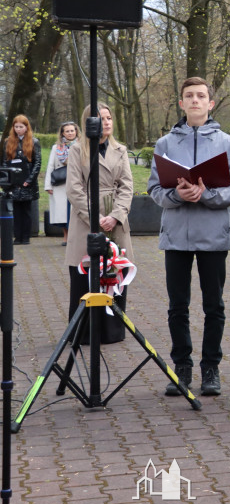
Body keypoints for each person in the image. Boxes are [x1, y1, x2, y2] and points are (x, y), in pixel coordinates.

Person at [147, 77, 230, 397]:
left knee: (213, 306)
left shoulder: (227, 143)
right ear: (181, 103)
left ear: (211, 103)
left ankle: (211, 368)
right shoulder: (164, 144)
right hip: (175, 236)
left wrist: (206, 195)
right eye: (189, 96)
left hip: (213, 236)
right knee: (178, 306)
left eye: (201, 96)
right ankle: (182, 367)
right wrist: (178, 195)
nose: (195, 100)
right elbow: (154, 189)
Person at [65, 104, 133, 344]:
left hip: (115, 219)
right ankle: (83, 332)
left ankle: (112, 331)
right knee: (84, 275)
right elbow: (73, 189)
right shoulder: (77, 150)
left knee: (114, 272)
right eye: (101, 119)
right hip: (86, 219)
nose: (106, 122)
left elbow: (127, 186)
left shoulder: (120, 150)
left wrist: (116, 215)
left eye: (109, 118)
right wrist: (94, 218)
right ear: (89, 123)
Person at [3, 115, 42, 245]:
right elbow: (5, 162)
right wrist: (8, 181)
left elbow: (37, 163)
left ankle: (26, 236)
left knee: (26, 210)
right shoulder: (8, 142)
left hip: (27, 181)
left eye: (21, 127)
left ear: (26, 127)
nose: (18, 129)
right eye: (16, 127)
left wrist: (29, 180)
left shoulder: (34, 142)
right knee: (16, 210)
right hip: (14, 181)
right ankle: (17, 236)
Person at [45, 121, 79, 245]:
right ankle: (66, 235)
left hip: (77, 182)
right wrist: (48, 185)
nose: (70, 133)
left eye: (72, 130)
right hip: (60, 184)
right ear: (62, 133)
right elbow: (50, 166)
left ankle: (75, 237)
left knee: (76, 210)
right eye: (67, 131)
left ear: (76, 132)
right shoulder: (56, 147)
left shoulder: (82, 146)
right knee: (62, 212)